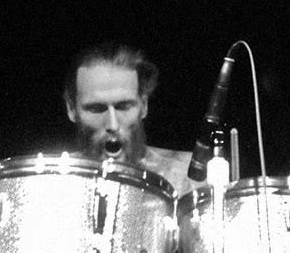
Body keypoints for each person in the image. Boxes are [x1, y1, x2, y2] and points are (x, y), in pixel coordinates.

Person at [63, 42, 195, 197]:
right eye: (97, 109)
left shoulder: (187, 177)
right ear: (71, 109)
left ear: (144, 105)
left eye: (124, 106)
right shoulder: (54, 184)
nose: (113, 124)